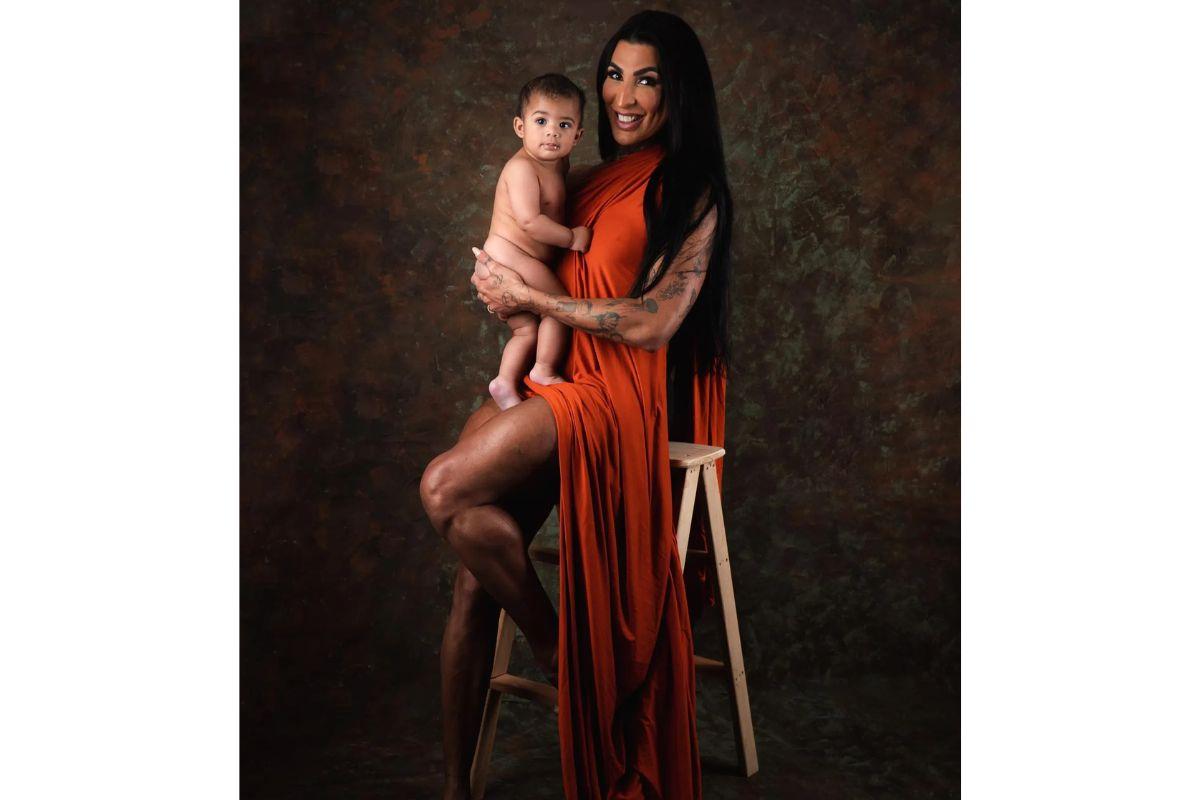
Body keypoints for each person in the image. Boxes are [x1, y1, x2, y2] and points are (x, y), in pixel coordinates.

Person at [421, 10, 734, 799]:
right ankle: (456, 787)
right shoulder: (581, 177)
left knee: (443, 488)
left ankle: (558, 649)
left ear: (678, 91)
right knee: (472, 572)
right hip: (554, 376)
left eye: (647, 79)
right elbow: (529, 257)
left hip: (611, 394)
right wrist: (499, 286)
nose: (623, 95)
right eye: (614, 75)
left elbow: (655, 320)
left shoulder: (692, 193)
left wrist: (535, 299)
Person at [480, 74, 593, 410]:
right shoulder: (522, 169)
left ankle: (503, 382)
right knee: (559, 307)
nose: (552, 132)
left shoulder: (559, 164)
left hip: (517, 259)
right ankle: (543, 369)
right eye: (541, 121)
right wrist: (570, 237)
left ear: (577, 135)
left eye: (564, 124)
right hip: (511, 256)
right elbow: (530, 222)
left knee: (526, 330)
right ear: (520, 127)